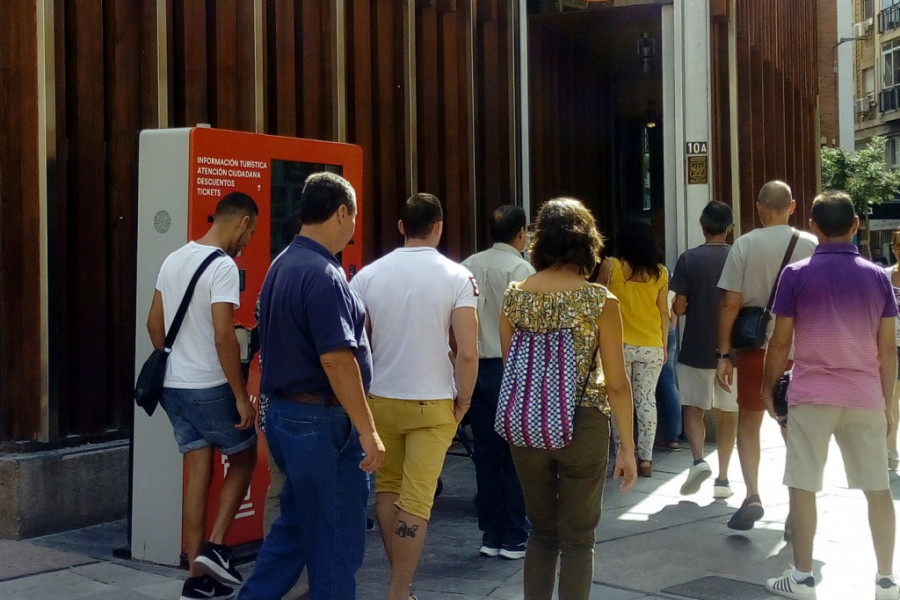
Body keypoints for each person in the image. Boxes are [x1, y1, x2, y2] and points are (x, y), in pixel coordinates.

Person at [238, 172, 385, 600]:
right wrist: (368, 428)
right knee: (337, 542)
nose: (354, 226)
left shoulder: (281, 264)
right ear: (342, 212)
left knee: (295, 531)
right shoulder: (324, 274)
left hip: (287, 416)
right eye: (353, 216)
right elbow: (337, 359)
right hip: (322, 422)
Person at [762, 191, 899, 600]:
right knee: (878, 488)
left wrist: (769, 388)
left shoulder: (796, 274)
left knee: (803, 484)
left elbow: (781, 341)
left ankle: (802, 577)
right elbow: (887, 348)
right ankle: (886, 579)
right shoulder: (877, 277)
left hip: (812, 394)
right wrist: (889, 403)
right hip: (864, 394)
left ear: (814, 227)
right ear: (855, 225)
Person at [500, 198, 637, 600]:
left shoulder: (515, 295)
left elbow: (513, 366)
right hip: (583, 422)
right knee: (578, 539)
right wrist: (627, 447)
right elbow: (616, 383)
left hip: (526, 424)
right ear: (587, 243)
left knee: (541, 532)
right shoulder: (599, 301)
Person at [349, 193, 479, 600]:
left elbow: (355, 341)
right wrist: (464, 401)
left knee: (387, 487)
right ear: (439, 227)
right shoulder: (457, 276)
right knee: (418, 497)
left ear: (401, 227)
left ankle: (400, 586)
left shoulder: (367, 275)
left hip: (381, 397)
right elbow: (469, 351)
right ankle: (398, 589)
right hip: (434, 400)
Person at [146, 192, 259, 600]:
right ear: (242, 222)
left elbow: (153, 324)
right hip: (209, 385)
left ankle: (198, 579)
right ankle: (214, 549)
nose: (246, 244)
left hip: (173, 387)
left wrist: (177, 361)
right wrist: (240, 395)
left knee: (199, 474)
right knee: (244, 456)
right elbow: (224, 336)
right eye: (249, 235)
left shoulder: (174, 258)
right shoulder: (223, 266)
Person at [715, 180, 817, 531]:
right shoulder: (811, 244)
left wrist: (724, 353)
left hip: (755, 348)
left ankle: (753, 494)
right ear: (792, 207)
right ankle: (796, 507)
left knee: (749, 421)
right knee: (795, 429)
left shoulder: (744, 244)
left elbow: (730, 303)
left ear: (759, 207)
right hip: (800, 350)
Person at [461, 204, 535, 559]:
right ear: (521, 231)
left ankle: (490, 533)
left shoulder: (467, 266)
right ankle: (514, 534)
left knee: (486, 455)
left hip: (474, 368)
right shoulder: (522, 268)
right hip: (511, 366)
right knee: (515, 454)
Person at [671, 201, 737, 499]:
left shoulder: (689, 259)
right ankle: (723, 478)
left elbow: (680, 306)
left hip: (695, 346)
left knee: (693, 408)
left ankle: (698, 460)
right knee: (728, 414)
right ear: (730, 227)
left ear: (702, 224)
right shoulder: (739, 257)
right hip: (732, 351)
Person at [596, 219, 668, 477]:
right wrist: (664, 344)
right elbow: (663, 312)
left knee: (620, 400)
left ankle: (623, 454)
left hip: (619, 344)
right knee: (646, 400)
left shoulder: (611, 266)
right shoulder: (660, 272)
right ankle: (646, 459)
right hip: (651, 344)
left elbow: (598, 302)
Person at [886, 230, 900, 471]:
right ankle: (890, 450)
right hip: (891, 344)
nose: (899, 248)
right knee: (890, 399)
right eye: (897, 244)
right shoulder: (885, 276)